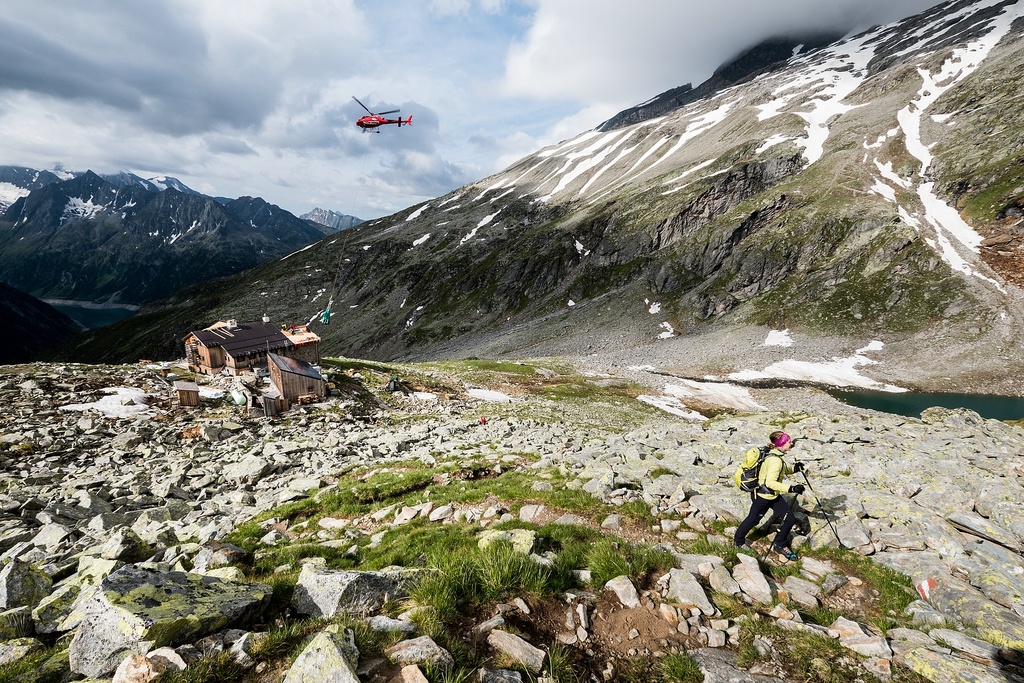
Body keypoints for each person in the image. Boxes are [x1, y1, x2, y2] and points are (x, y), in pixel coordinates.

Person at [734, 431, 805, 560]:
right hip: (762, 497)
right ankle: (738, 542)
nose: (791, 443)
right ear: (781, 444)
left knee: (789, 519)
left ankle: (780, 544)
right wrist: (792, 488)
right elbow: (770, 483)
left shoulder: (775, 456)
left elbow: (779, 471)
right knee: (753, 520)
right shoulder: (775, 460)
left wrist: (795, 469)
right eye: (789, 441)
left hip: (772, 495)